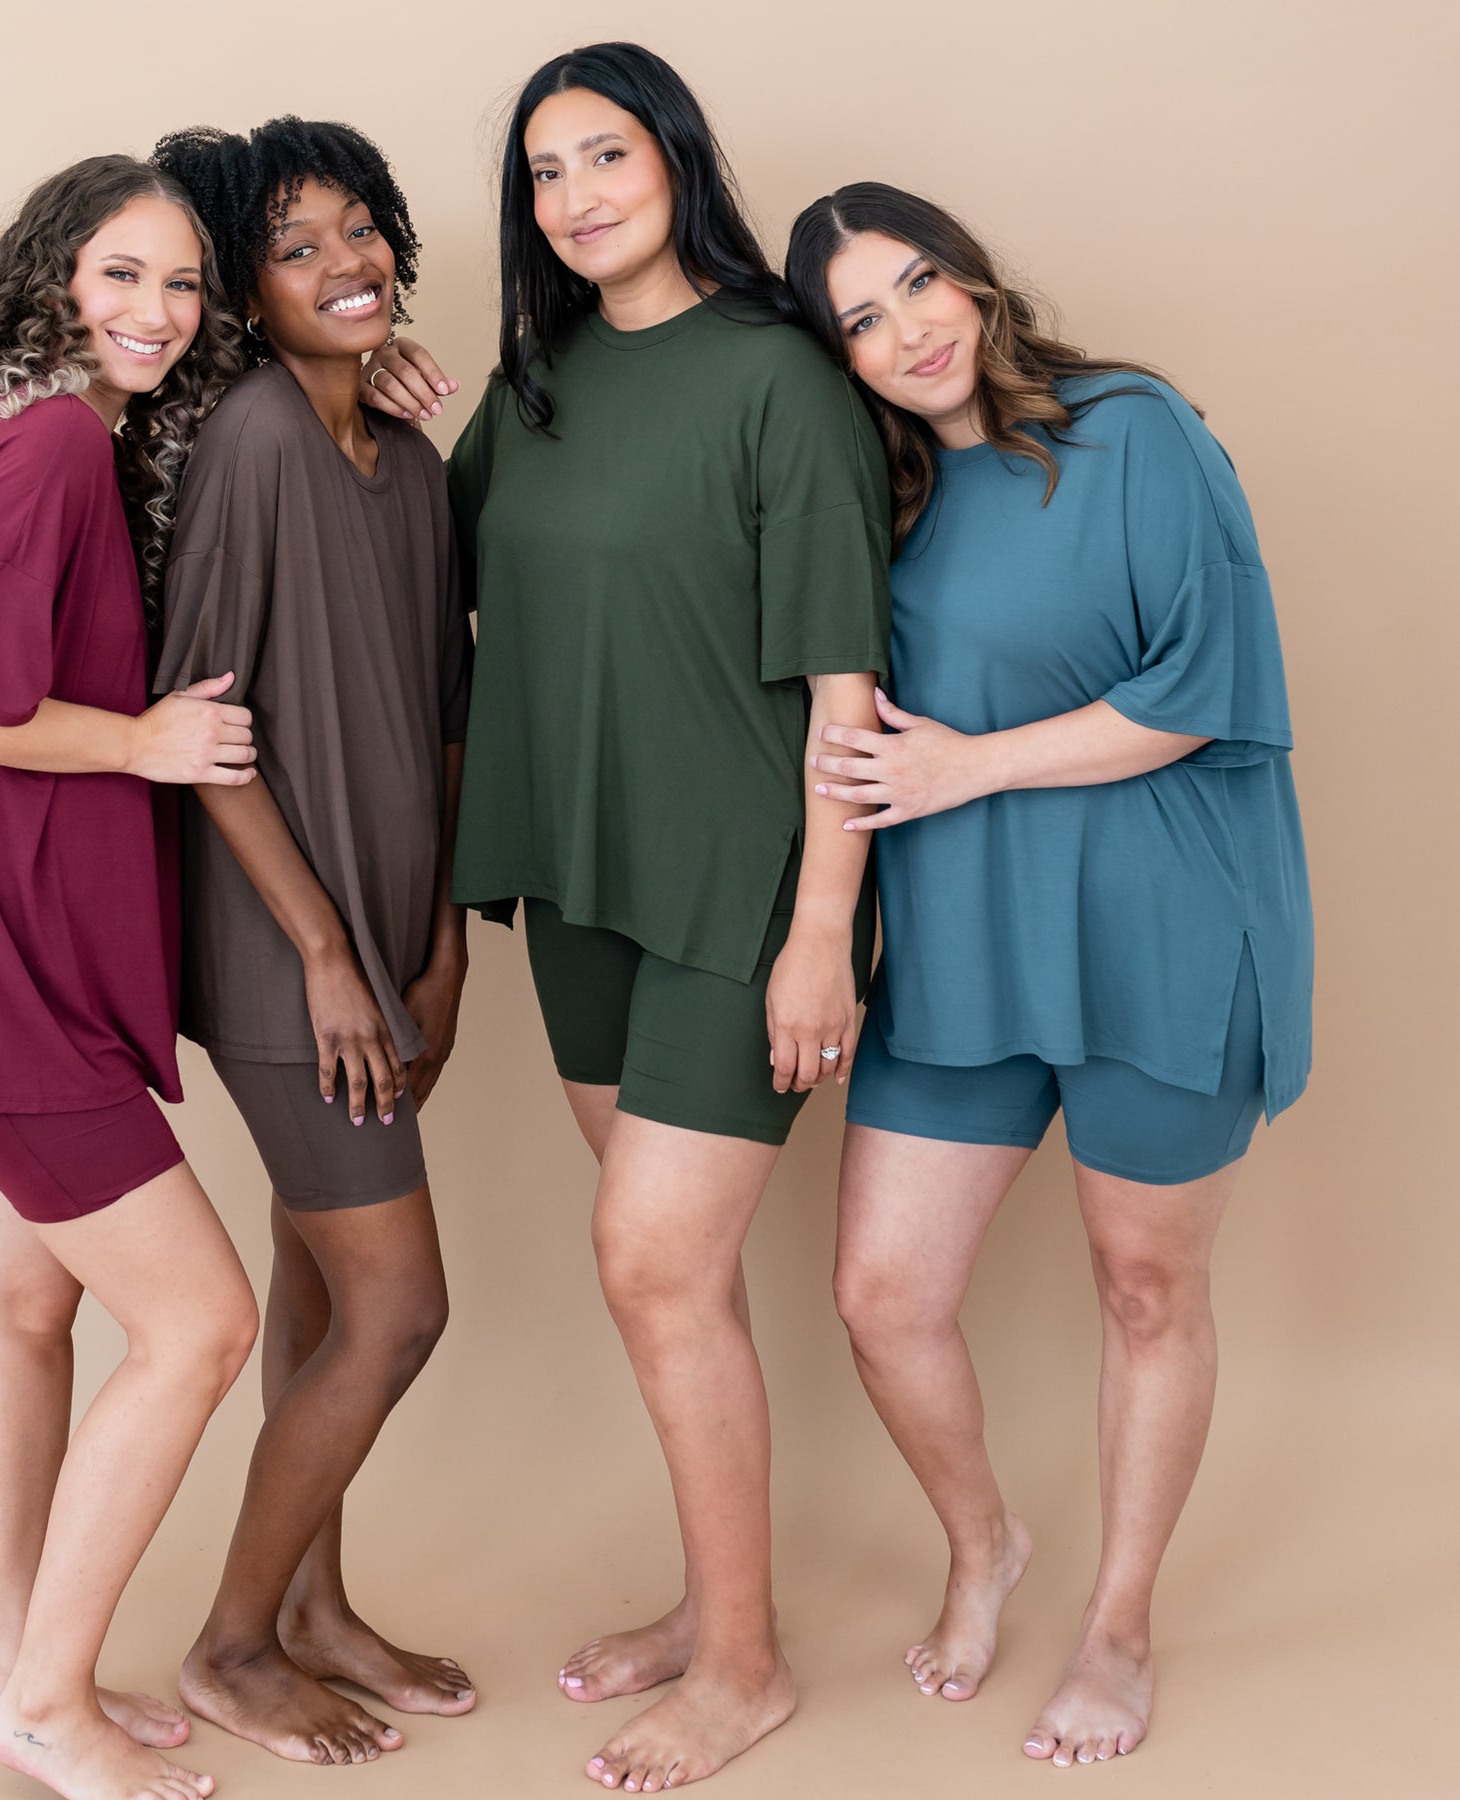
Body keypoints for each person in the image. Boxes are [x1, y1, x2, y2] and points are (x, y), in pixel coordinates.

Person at [371, 43, 891, 1792]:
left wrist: (825, 928)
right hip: (579, 888)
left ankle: (741, 1667)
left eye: (608, 154)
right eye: (543, 171)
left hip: (741, 894)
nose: (577, 195)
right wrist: (354, 390)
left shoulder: (781, 379)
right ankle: (713, 1598)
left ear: (677, 160)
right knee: (678, 1286)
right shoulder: (526, 394)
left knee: (651, 1265)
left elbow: (844, 688)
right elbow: (430, 602)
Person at [783, 182, 1313, 1770]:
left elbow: (1206, 690)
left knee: (1148, 1290)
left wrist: (971, 770)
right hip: (967, 945)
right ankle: (985, 1545)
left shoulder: (1133, 430)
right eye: (859, 321)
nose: (906, 330)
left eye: (919, 284)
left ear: (976, 280)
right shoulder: (868, 498)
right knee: (884, 1296)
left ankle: (1120, 1624)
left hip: (1163, 924)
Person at [0, 154, 260, 1800]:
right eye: (120, 276)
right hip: (11, 966)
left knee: (26, 1310)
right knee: (203, 1325)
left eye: (179, 284)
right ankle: (52, 1703)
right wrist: (149, 744)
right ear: (53, 281)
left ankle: (6, 1672)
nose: (153, 313)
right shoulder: (59, 438)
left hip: (11, 950)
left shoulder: (39, 430)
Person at [149, 120, 476, 1767]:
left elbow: (441, 715)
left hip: (387, 937)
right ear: (246, 294)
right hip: (287, 959)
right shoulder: (256, 443)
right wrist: (334, 957)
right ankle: (229, 1642)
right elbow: (203, 730)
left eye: (364, 230)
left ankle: (313, 1609)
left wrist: (438, 943)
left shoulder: (409, 457)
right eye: (298, 245)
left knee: (316, 1281)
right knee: (400, 1309)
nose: (347, 263)